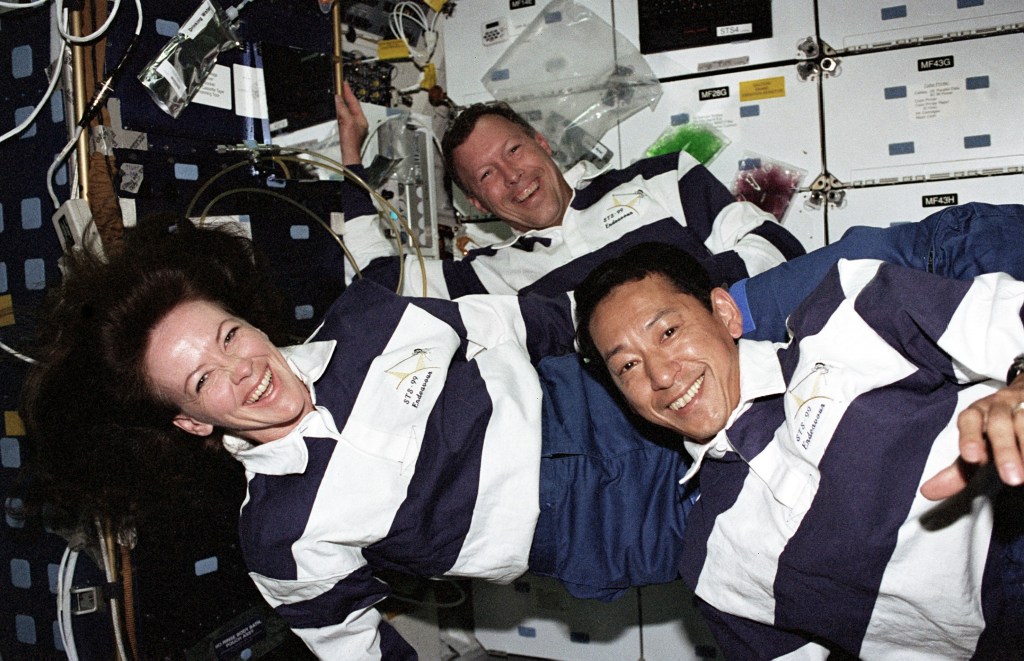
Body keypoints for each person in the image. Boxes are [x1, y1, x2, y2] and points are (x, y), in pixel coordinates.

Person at [19, 216, 694, 660]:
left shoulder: (367, 319)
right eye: (204, 380)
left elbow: (527, 320)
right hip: (602, 526)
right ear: (193, 421)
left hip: (609, 393)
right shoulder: (280, 538)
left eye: (230, 335)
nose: (244, 370)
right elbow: (362, 653)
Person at [573, 242, 1024, 658]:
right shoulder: (710, 564)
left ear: (725, 313)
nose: (661, 376)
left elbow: (1007, 318)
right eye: (627, 365)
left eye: (668, 332)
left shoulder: (845, 317)